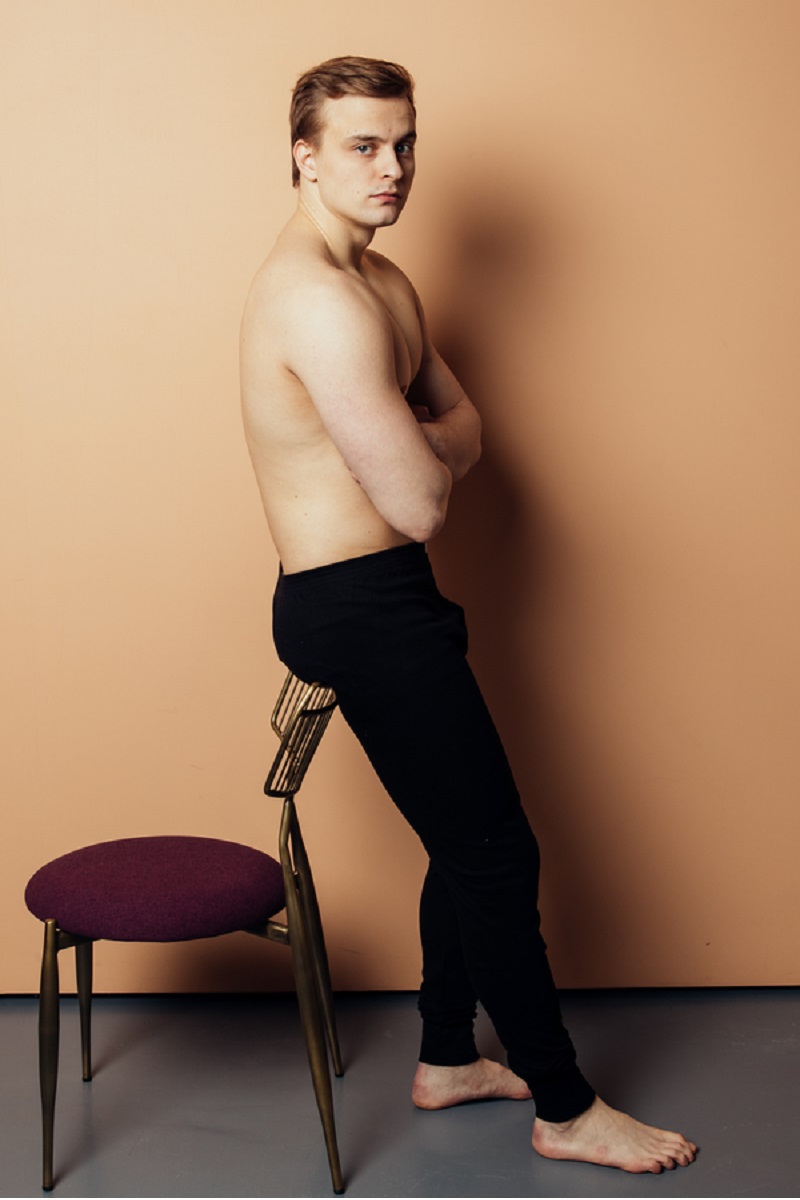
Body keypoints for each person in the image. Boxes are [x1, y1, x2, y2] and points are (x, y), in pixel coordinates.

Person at [240, 55, 697, 1174]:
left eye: (403, 143)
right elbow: (422, 498)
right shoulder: (316, 301)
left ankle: (447, 1055)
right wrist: (427, 446)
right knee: (497, 853)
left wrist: (423, 443)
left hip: (395, 595)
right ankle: (564, 1105)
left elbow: (466, 427)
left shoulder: (383, 282)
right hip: (353, 606)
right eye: (362, 146)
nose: (391, 167)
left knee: (466, 839)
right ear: (304, 155)